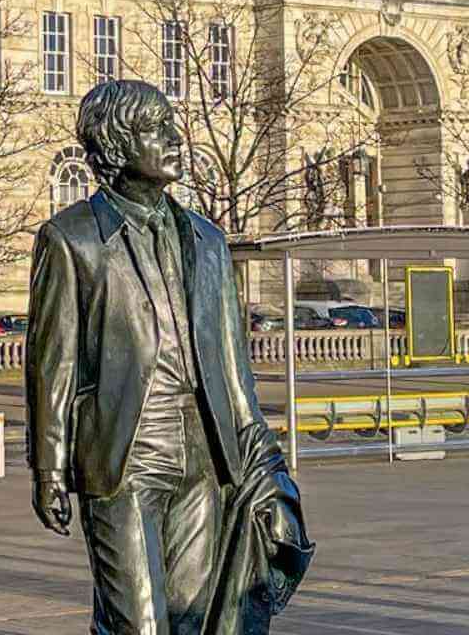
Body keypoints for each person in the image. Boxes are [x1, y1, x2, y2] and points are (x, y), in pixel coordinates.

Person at [26, 80, 314, 634]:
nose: (173, 137)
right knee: (140, 622)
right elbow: (52, 365)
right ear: (114, 148)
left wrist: (267, 467)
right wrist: (48, 468)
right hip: (122, 451)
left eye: (170, 124)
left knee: (192, 618)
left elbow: (235, 376)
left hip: (205, 451)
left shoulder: (206, 240)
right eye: (155, 129)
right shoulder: (72, 238)